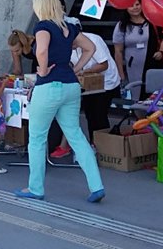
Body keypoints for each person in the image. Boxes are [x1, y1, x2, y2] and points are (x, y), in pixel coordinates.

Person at [14, 0, 105, 203]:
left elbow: (41, 51)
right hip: (71, 85)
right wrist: (77, 69)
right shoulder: (70, 27)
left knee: (37, 138)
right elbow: (90, 48)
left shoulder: (43, 26)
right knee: (76, 136)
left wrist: (43, 70)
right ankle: (96, 185)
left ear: (40, 6)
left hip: (49, 86)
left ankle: (35, 188)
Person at [51, 29, 121, 158]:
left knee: (99, 114)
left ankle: (104, 147)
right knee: (89, 113)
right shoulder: (67, 44)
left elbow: (103, 65)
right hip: (87, 84)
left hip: (106, 82)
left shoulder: (93, 40)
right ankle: (94, 144)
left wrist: (84, 71)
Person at [112, 0, 163, 97]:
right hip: (133, 67)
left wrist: (161, 51)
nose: (135, 7)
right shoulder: (121, 25)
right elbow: (118, 51)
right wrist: (121, 74)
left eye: (137, 4)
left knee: (155, 95)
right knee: (137, 95)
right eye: (131, 5)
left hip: (153, 63)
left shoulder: (151, 21)